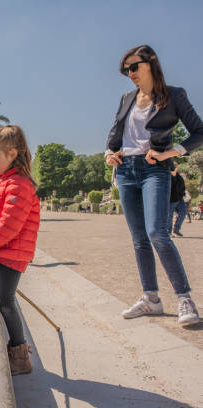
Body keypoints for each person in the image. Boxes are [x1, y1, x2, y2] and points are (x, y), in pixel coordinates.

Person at [105, 45, 202, 326]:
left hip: (153, 170)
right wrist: (109, 153)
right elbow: (115, 134)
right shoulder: (126, 98)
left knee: (158, 233)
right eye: (126, 70)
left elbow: (199, 131)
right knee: (139, 239)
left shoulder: (174, 95)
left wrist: (170, 154)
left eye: (134, 67)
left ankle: (184, 298)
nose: (130, 73)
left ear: (150, 63)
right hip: (125, 171)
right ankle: (151, 299)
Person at [0, 125, 40, 376]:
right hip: (4, 252)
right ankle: (16, 348)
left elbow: (9, 223)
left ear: (12, 154)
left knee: (6, 300)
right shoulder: (7, 182)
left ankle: (20, 355)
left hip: (11, 253)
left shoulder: (18, 184)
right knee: (4, 299)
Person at [168, 168, 187, 237]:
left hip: (180, 199)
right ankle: (168, 232)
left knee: (183, 212)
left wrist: (183, 193)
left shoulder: (179, 177)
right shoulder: (167, 176)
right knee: (169, 216)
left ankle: (176, 229)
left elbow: (183, 186)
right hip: (171, 199)